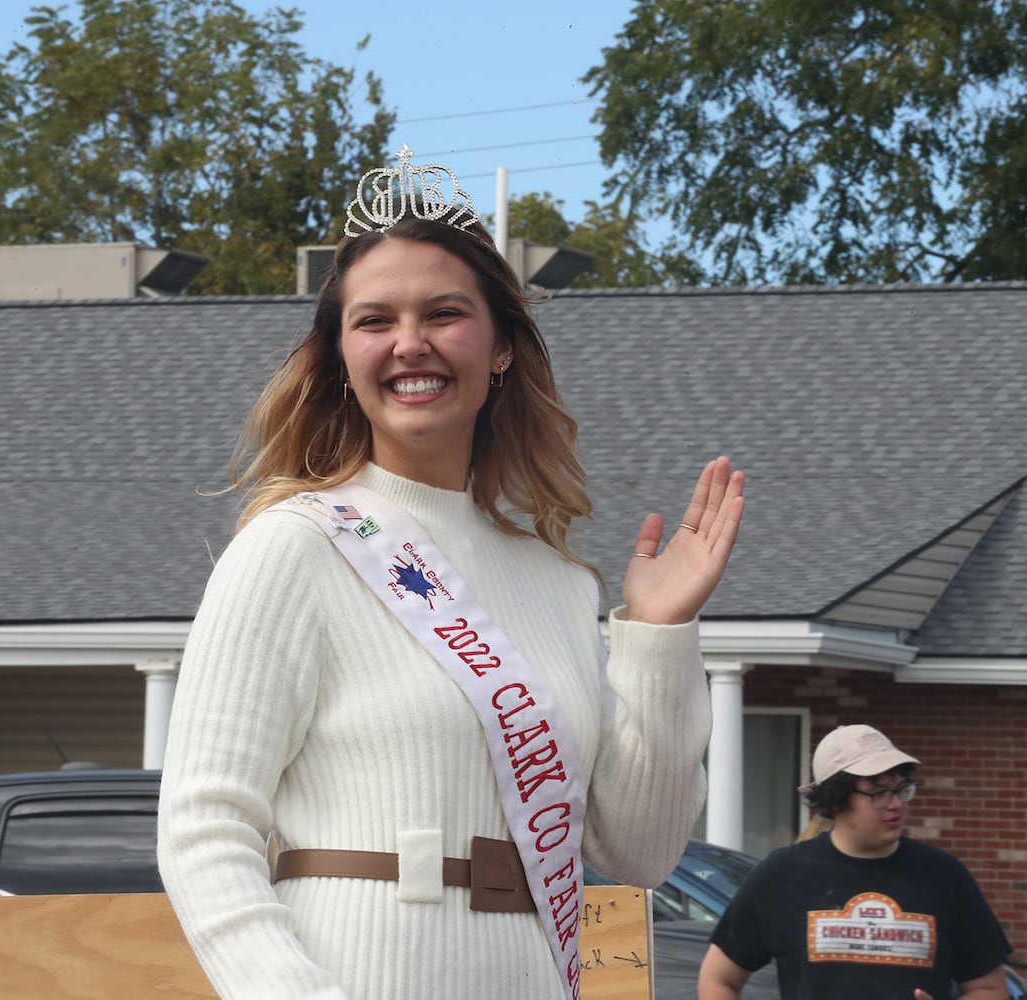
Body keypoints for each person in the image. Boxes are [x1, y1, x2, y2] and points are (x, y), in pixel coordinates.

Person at [156, 145, 745, 1000]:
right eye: (373, 321)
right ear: (339, 358)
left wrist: (657, 636)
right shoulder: (296, 546)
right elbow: (203, 827)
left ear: (501, 346)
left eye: (443, 313)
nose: (410, 344)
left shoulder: (557, 582)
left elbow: (639, 854)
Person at [698, 724, 1012, 1000]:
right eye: (878, 792)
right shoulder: (782, 875)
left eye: (902, 789)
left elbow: (990, 988)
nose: (896, 804)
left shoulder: (944, 875)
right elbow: (718, 979)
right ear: (836, 798)